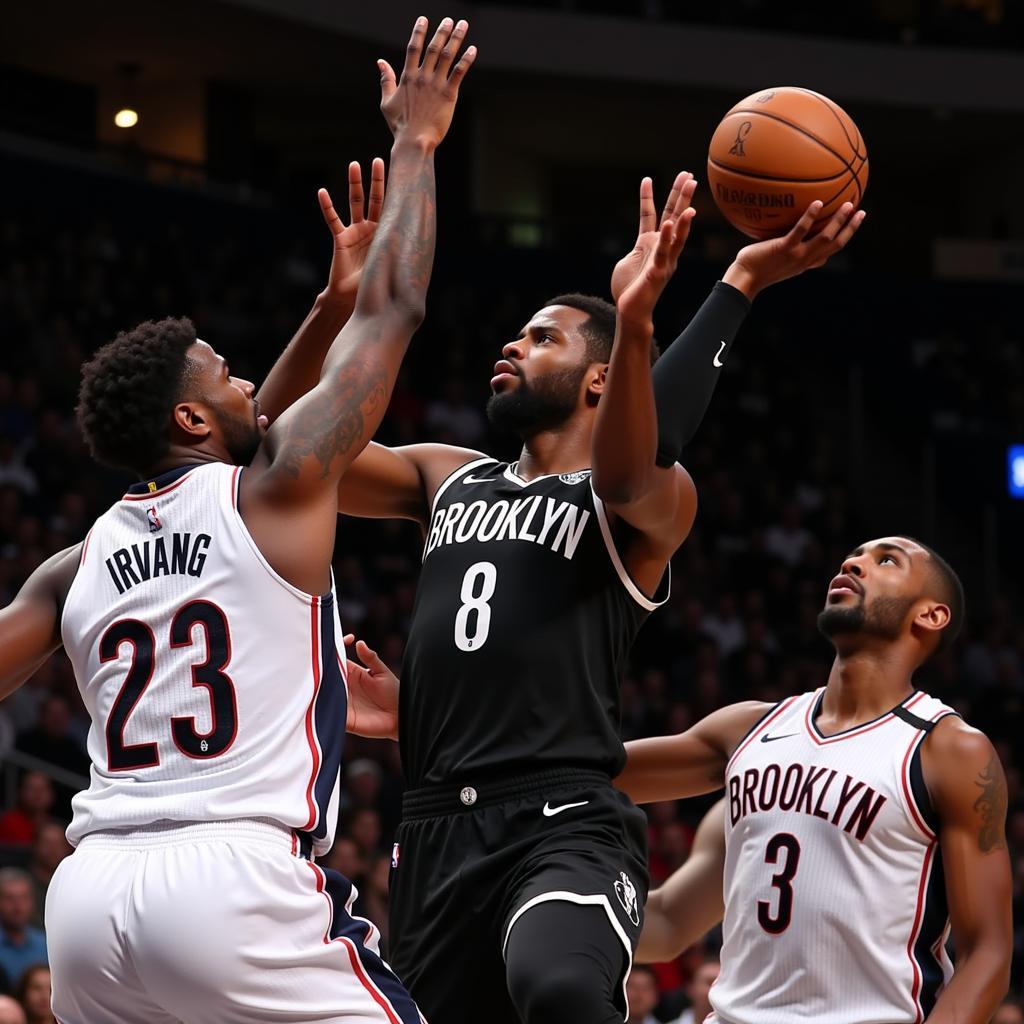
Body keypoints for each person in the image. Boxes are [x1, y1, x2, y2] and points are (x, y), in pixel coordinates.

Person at [0, 16, 475, 1023]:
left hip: (89, 900)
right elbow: (395, 311)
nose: (245, 375)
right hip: (233, 879)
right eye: (224, 368)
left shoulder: (76, 562)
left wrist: (321, 304)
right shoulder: (277, 489)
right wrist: (419, 142)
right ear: (189, 415)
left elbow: (257, 421)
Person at [333, 189, 863, 1023]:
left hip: (563, 815)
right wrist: (351, 303)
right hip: (434, 824)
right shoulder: (447, 474)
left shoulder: (645, 505)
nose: (513, 343)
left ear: (600, 381)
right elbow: (291, 455)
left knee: (562, 986)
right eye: (519, 334)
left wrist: (669, 304)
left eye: (544, 338)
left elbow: (632, 464)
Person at [617, 536, 1013, 1023]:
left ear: (930, 615)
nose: (853, 562)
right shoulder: (746, 730)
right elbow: (666, 921)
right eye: (854, 555)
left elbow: (988, 954)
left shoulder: (950, 751)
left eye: (886, 560)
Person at [0, 871, 46, 993]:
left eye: (23, 898)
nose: (18, 906)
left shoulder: (45, 944)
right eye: (9, 898)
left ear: (33, 902)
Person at [0, 775, 54, 847]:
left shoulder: (56, 828)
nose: (38, 794)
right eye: (31, 788)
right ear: (20, 793)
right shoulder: (8, 823)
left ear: (51, 795)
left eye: (43, 789)